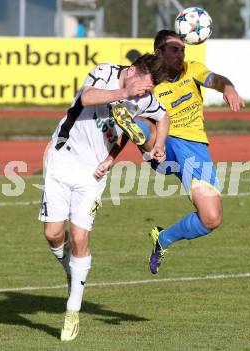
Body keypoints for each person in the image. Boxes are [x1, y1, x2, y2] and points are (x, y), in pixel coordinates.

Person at [39, 53, 170, 341]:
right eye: (144, 85)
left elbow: (162, 117)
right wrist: (124, 92)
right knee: (52, 234)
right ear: (132, 71)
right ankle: (72, 271)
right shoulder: (105, 71)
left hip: (93, 174)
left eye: (150, 89)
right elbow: (86, 98)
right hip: (62, 158)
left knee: (81, 237)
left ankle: (72, 310)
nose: (145, 93)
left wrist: (157, 146)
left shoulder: (144, 97)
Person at [118, 30, 245, 274]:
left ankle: (163, 239)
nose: (180, 54)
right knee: (142, 122)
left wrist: (228, 88)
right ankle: (136, 130)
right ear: (159, 53)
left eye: (183, 50)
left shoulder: (192, 69)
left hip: (195, 148)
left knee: (211, 218)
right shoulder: (148, 81)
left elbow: (215, 79)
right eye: (174, 50)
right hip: (162, 144)